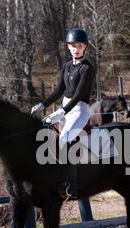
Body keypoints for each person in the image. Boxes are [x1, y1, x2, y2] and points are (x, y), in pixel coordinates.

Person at [31, 28, 95, 199]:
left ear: (85, 47)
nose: (76, 49)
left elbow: (79, 95)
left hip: (79, 110)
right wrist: (42, 104)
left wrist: (61, 112)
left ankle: (73, 185)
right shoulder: (66, 66)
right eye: (73, 46)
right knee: (46, 135)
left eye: (80, 46)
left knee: (64, 141)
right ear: (68, 46)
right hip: (65, 107)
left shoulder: (87, 68)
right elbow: (59, 90)